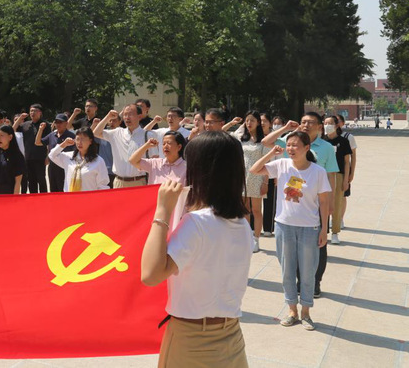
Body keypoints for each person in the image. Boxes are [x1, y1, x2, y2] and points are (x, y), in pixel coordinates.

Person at [140, 132, 253, 367]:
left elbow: (150, 275)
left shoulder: (197, 223)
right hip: (231, 335)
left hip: (190, 338)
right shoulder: (242, 224)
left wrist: (162, 210)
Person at [250, 132, 330, 331]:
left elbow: (324, 202)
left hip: (310, 228)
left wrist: (324, 229)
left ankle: (306, 312)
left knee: (308, 272)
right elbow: (254, 169)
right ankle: (292, 310)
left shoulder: (318, 172)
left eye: (296, 145)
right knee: (287, 270)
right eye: (289, 145)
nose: (291, 149)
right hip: (284, 226)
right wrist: (271, 154)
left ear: (307, 148)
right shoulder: (281, 165)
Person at [263, 112, 338, 297]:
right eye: (303, 121)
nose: (306, 125)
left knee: (318, 245)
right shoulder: (291, 141)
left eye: (311, 122)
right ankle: (298, 281)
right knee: (292, 248)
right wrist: (286, 128)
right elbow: (266, 142)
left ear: (319, 127)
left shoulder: (327, 147)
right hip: (294, 202)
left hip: (317, 200)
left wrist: (331, 202)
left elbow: (331, 175)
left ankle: (315, 281)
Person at [236, 111, 268, 252]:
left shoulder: (263, 141)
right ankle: (247, 236)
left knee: (256, 210)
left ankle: (256, 238)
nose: (249, 123)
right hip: (242, 177)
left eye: (252, 120)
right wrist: (236, 124)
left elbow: (267, 163)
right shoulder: (241, 138)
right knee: (245, 210)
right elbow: (226, 133)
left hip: (257, 177)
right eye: (247, 120)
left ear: (258, 123)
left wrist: (265, 182)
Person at [94, 105, 148, 188]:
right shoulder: (117, 133)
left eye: (130, 114)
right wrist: (108, 117)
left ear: (139, 116)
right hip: (119, 183)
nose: (127, 117)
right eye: (125, 115)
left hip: (139, 182)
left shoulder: (147, 135)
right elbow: (96, 133)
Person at [48, 127, 110, 191]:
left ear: (90, 141)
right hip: (70, 196)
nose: (80, 142)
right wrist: (64, 144)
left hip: (88, 196)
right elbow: (52, 155)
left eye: (83, 139)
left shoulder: (98, 161)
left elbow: (102, 185)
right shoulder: (69, 157)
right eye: (77, 139)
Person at [323, 116, 351, 245]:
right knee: (322, 202)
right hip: (323, 174)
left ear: (336, 125)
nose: (327, 125)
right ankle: (323, 230)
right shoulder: (321, 141)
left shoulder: (343, 141)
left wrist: (346, 180)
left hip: (338, 175)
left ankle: (335, 232)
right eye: (325, 123)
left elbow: (347, 162)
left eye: (330, 123)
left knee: (336, 203)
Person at [35, 113, 76, 192]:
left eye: (60, 122)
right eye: (56, 122)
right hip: (52, 167)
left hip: (64, 167)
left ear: (66, 123)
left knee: (63, 190)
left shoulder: (71, 136)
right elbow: (37, 142)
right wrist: (40, 129)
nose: (58, 124)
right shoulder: (52, 135)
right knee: (53, 190)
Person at [19, 104, 49, 194]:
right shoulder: (25, 125)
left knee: (41, 180)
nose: (32, 113)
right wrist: (20, 118)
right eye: (31, 111)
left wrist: (47, 156)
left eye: (35, 111)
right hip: (28, 157)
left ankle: (44, 199)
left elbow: (49, 141)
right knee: (31, 181)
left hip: (40, 157)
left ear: (40, 113)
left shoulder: (45, 125)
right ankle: (33, 199)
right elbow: (13, 129)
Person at [336, 114, 356, 228]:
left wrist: (351, 173)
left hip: (343, 171)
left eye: (338, 121)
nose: (336, 123)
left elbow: (353, 156)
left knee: (342, 196)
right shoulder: (326, 136)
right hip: (329, 171)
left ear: (343, 123)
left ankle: (340, 218)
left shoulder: (348, 137)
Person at [259, 113, 277, 237]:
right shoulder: (254, 137)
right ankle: (253, 227)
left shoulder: (274, 137)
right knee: (254, 202)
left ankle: (268, 228)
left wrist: (276, 175)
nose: (262, 123)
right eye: (260, 121)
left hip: (271, 172)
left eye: (265, 121)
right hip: (256, 172)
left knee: (269, 201)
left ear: (270, 123)